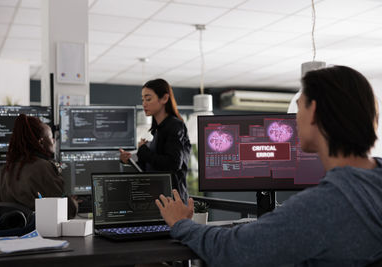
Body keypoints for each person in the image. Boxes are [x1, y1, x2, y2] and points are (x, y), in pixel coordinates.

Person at [155, 65, 382, 266]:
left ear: (313, 112)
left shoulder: (322, 206)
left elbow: (232, 252)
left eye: (299, 107)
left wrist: (181, 223)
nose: (294, 119)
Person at [0, 114, 78, 219]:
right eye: (51, 137)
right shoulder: (43, 168)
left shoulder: (3, 170)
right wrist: (74, 202)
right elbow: (68, 211)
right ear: (41, 142)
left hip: (7, 234)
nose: (53, 141)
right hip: (39, 233)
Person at [120, 78, 191, 203]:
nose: (144, 104)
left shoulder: (174, 126)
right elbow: (153, 167)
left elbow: (173, 163)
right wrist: (130, 160)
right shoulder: (158, 130)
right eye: (143, 100)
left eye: (148, 99)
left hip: (174, 202)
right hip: (159, 199)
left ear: (164, 98)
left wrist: (144, 151)